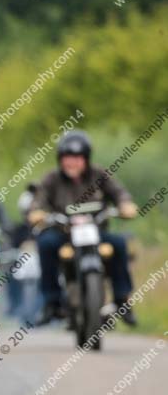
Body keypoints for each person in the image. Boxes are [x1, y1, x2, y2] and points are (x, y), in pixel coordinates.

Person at [29, 130, 138, 325]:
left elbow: (120, 193)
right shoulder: (51, 178)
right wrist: (37, 212)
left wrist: (125, 205)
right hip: (63, 234)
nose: (72, 162)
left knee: (120, 243)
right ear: (60, 159)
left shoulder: (99, 175)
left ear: (86, 159)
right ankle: (51, 303)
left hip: (96, 233)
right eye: (67, 158)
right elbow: (39, 201)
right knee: (45, 244)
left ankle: (123, 300)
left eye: (78, 158)